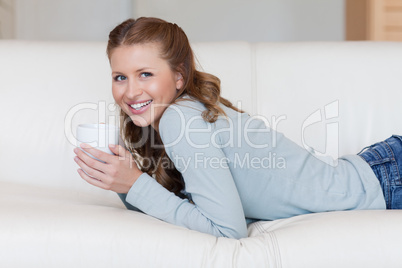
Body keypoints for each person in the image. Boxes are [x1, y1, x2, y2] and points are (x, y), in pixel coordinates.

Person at [73, 17, 402, 239]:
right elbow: (173, 205)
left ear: (179, 76)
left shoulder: (179, 118)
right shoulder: (170, 119)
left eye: (145, 74)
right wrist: (122, 179)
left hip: (386, 181)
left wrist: (135, 184)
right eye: (120, 77)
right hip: (380, 170)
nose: (130, 92)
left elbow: (227, 230)